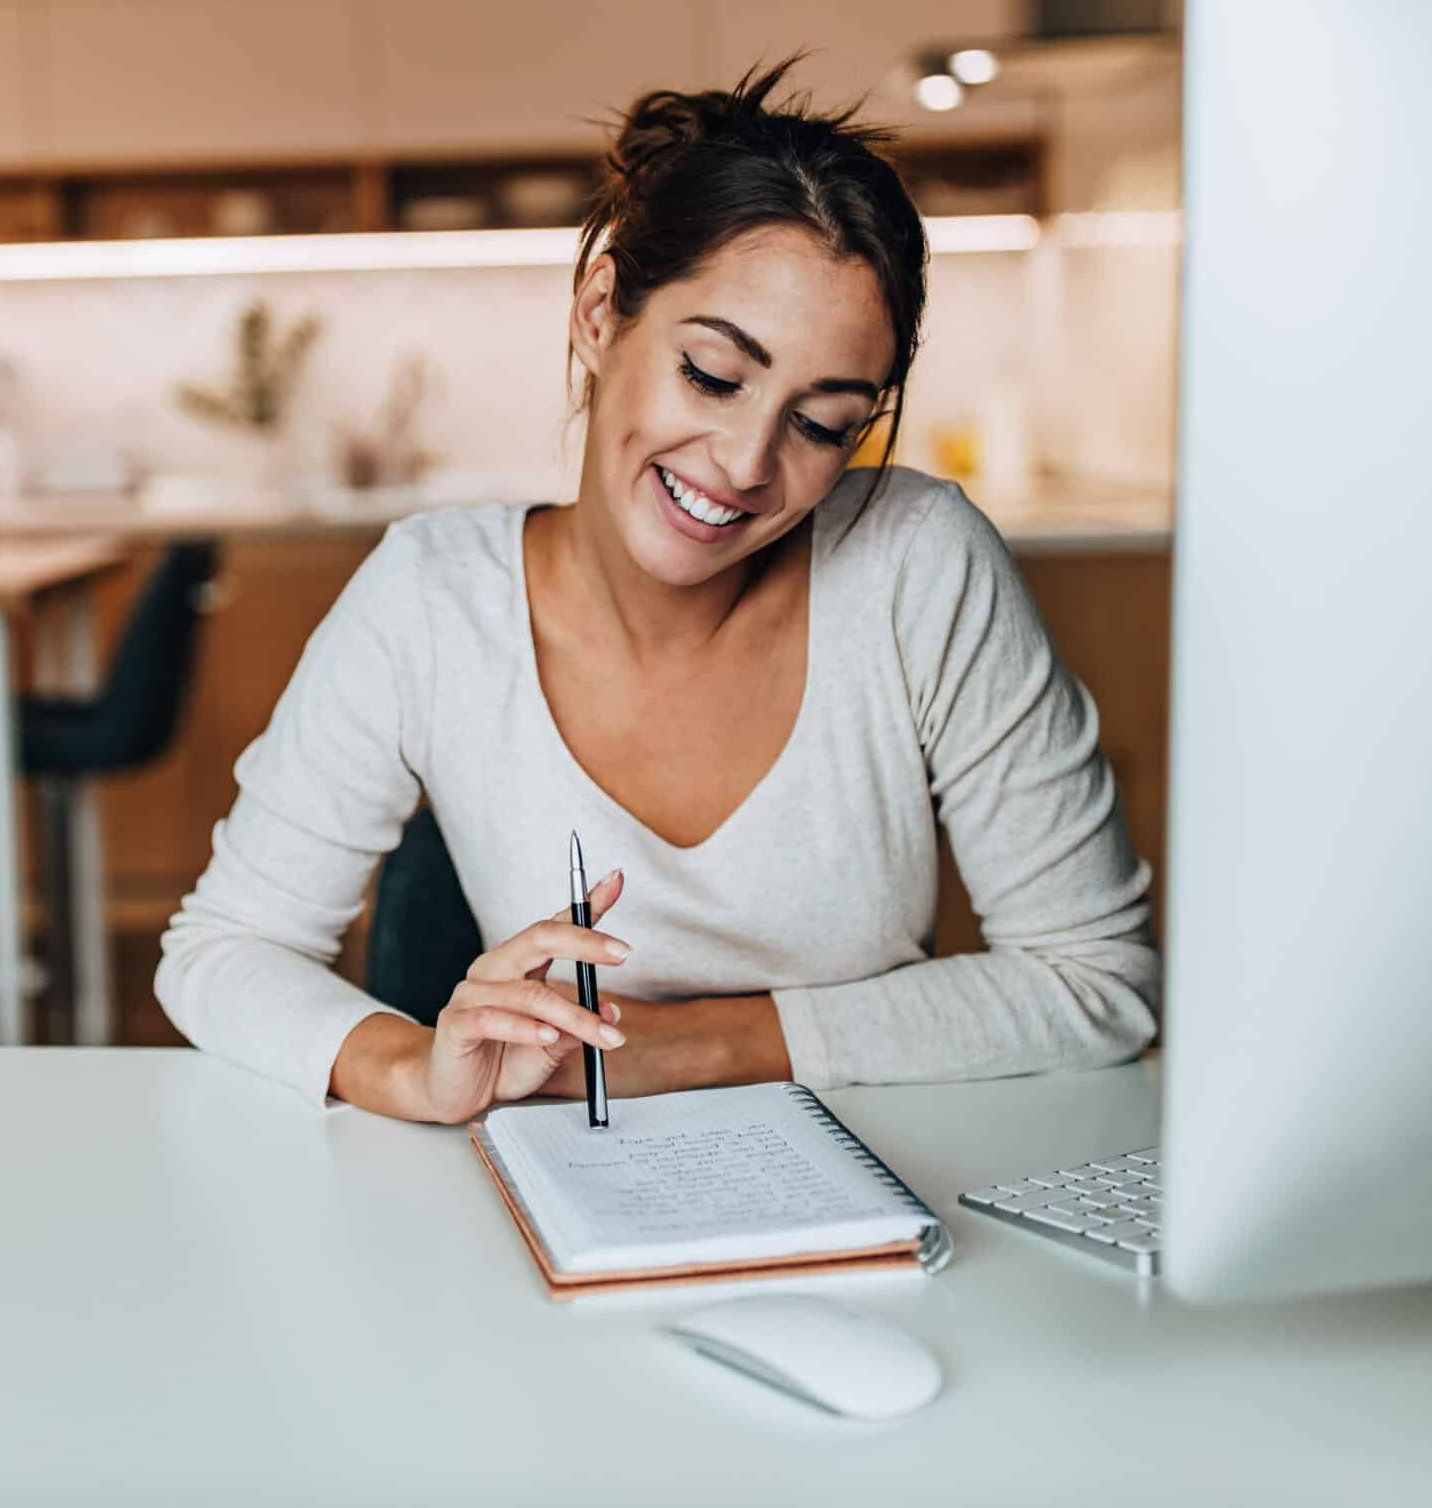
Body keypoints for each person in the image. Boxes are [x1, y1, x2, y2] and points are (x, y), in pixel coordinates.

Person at [156, 60, 1158, 1122]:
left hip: (883, 1171)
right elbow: (225, 948)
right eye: (712, 376)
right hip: (559, 1181)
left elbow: (1097, 981)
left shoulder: (918, 565)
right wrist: (409, 1066)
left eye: (822, 423)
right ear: (600, 315)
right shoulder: (430, 600)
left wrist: (685, 1046)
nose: (744, 463)